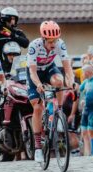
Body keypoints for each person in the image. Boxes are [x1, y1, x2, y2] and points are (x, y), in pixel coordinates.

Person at [26, 20, 74, 162]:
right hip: (35, 73)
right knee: (37, 106)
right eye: (50, 41)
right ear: (43, 39)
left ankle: (58, 112)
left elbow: (67, 67)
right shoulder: (34, 46)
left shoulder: (60, 44)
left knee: (59, 81)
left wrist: (71, 81)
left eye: (55, 40)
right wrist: (38, 84)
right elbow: (33, 72)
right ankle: (38, 147)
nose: (53, 44)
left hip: (48, 68)